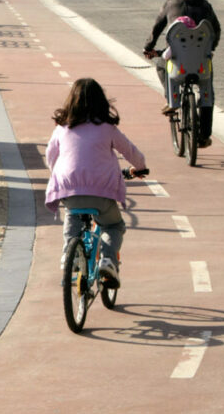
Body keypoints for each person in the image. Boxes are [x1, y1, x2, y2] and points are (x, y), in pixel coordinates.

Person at [44, 78, 147, 286]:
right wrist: (141, 167)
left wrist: (58, 173)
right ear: (102, 102)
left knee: (73, 215)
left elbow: (50, 156)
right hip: (101, 190)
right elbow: (130, 151)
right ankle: (108, 259)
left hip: (68, 186)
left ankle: (68, 254)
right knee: (114, 225)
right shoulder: (108, 128)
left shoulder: (62, 128)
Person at [142, 0, 221, 109]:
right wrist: (211, 49)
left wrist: (148, 47)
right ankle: (206, 120)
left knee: (160, 65)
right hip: (201, 62)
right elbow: (216, 29)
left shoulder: (171, 4)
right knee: (207, 89)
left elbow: (157, 28)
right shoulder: (206, 6)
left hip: (177, 61)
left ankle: (171, 98)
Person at [157, 15, 218, 147]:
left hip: (179, 74)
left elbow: (165, 56)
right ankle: (205, 102)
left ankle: (173, 101)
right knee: (205, 88)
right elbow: (210, 55)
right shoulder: (202, 43)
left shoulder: (176, 44)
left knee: (169, 69)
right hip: (201, 74)